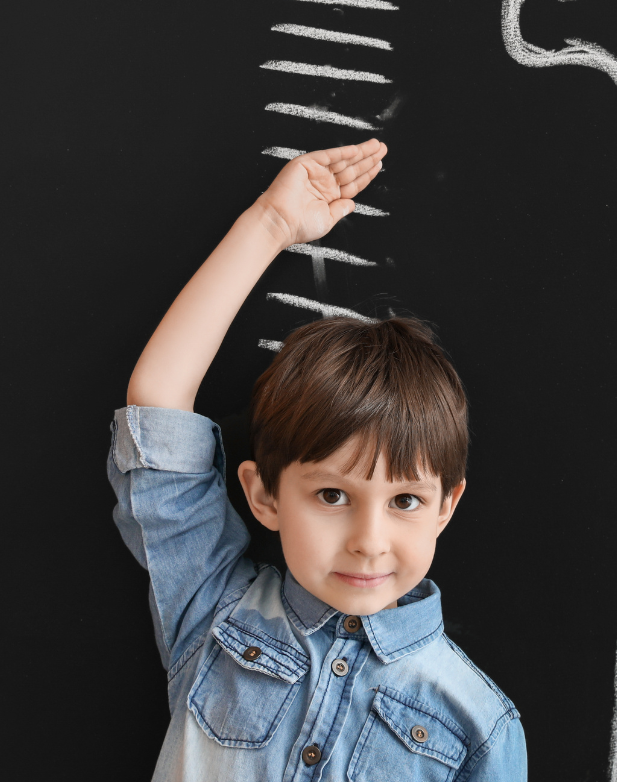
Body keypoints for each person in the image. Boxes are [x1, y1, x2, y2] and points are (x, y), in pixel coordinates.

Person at [109, 139, 526, 781]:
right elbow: (158, 402)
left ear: (448, 507)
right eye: (332, 496)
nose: (368, 542)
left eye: (405, 501)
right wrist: (270, 225)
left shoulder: (477, 724)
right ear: (265, 495)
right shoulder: (215, 613)